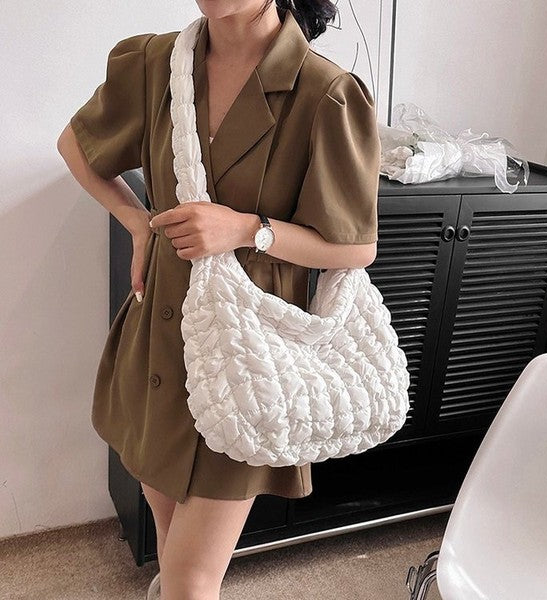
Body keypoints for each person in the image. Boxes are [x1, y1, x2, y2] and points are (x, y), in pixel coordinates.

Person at [57, 0, 381, 598]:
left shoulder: (325, 92)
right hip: (159, 338)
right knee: (170, 545)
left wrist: (248, 229)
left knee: (190, 580)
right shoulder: (156, 62)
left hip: (246, 357)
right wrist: (136, 222)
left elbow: (355, 248)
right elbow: (76, 145)